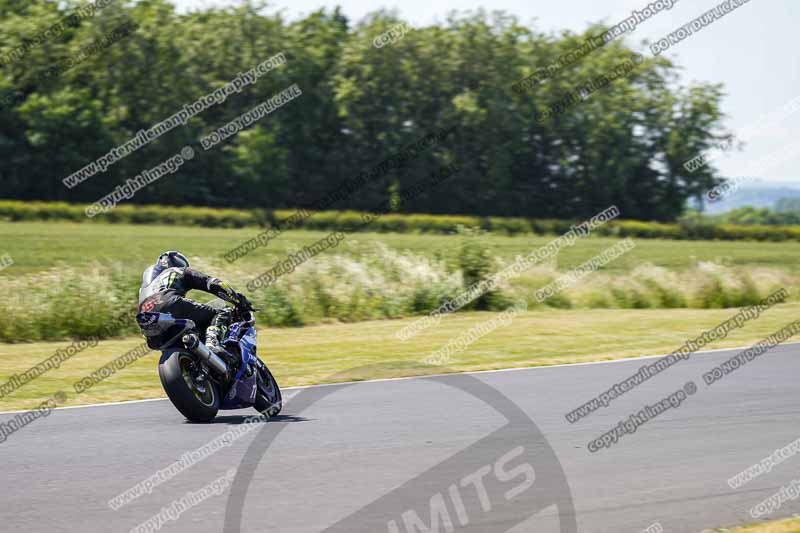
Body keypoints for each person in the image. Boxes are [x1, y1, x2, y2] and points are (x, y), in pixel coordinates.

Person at [138, 251, 249, 360]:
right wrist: (238, 300)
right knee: (221, 312)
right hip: (170, 303)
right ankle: (212, 342)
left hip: (145, 317)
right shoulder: (179, 271)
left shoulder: (147, 285)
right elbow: (212, 283)